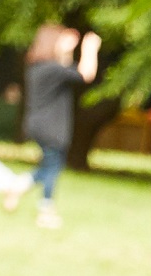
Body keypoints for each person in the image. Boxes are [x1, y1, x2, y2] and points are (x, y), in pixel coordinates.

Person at [8, 26, 100, 229]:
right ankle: (46, 210)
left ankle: (18, 185)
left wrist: (67, 49)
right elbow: (86, 74)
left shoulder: (40, 68)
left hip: (39, 125)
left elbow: (68, 68)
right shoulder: (51, 69)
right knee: (53, 169)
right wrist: (90, 48)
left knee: (50, 166)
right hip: (50, 127)